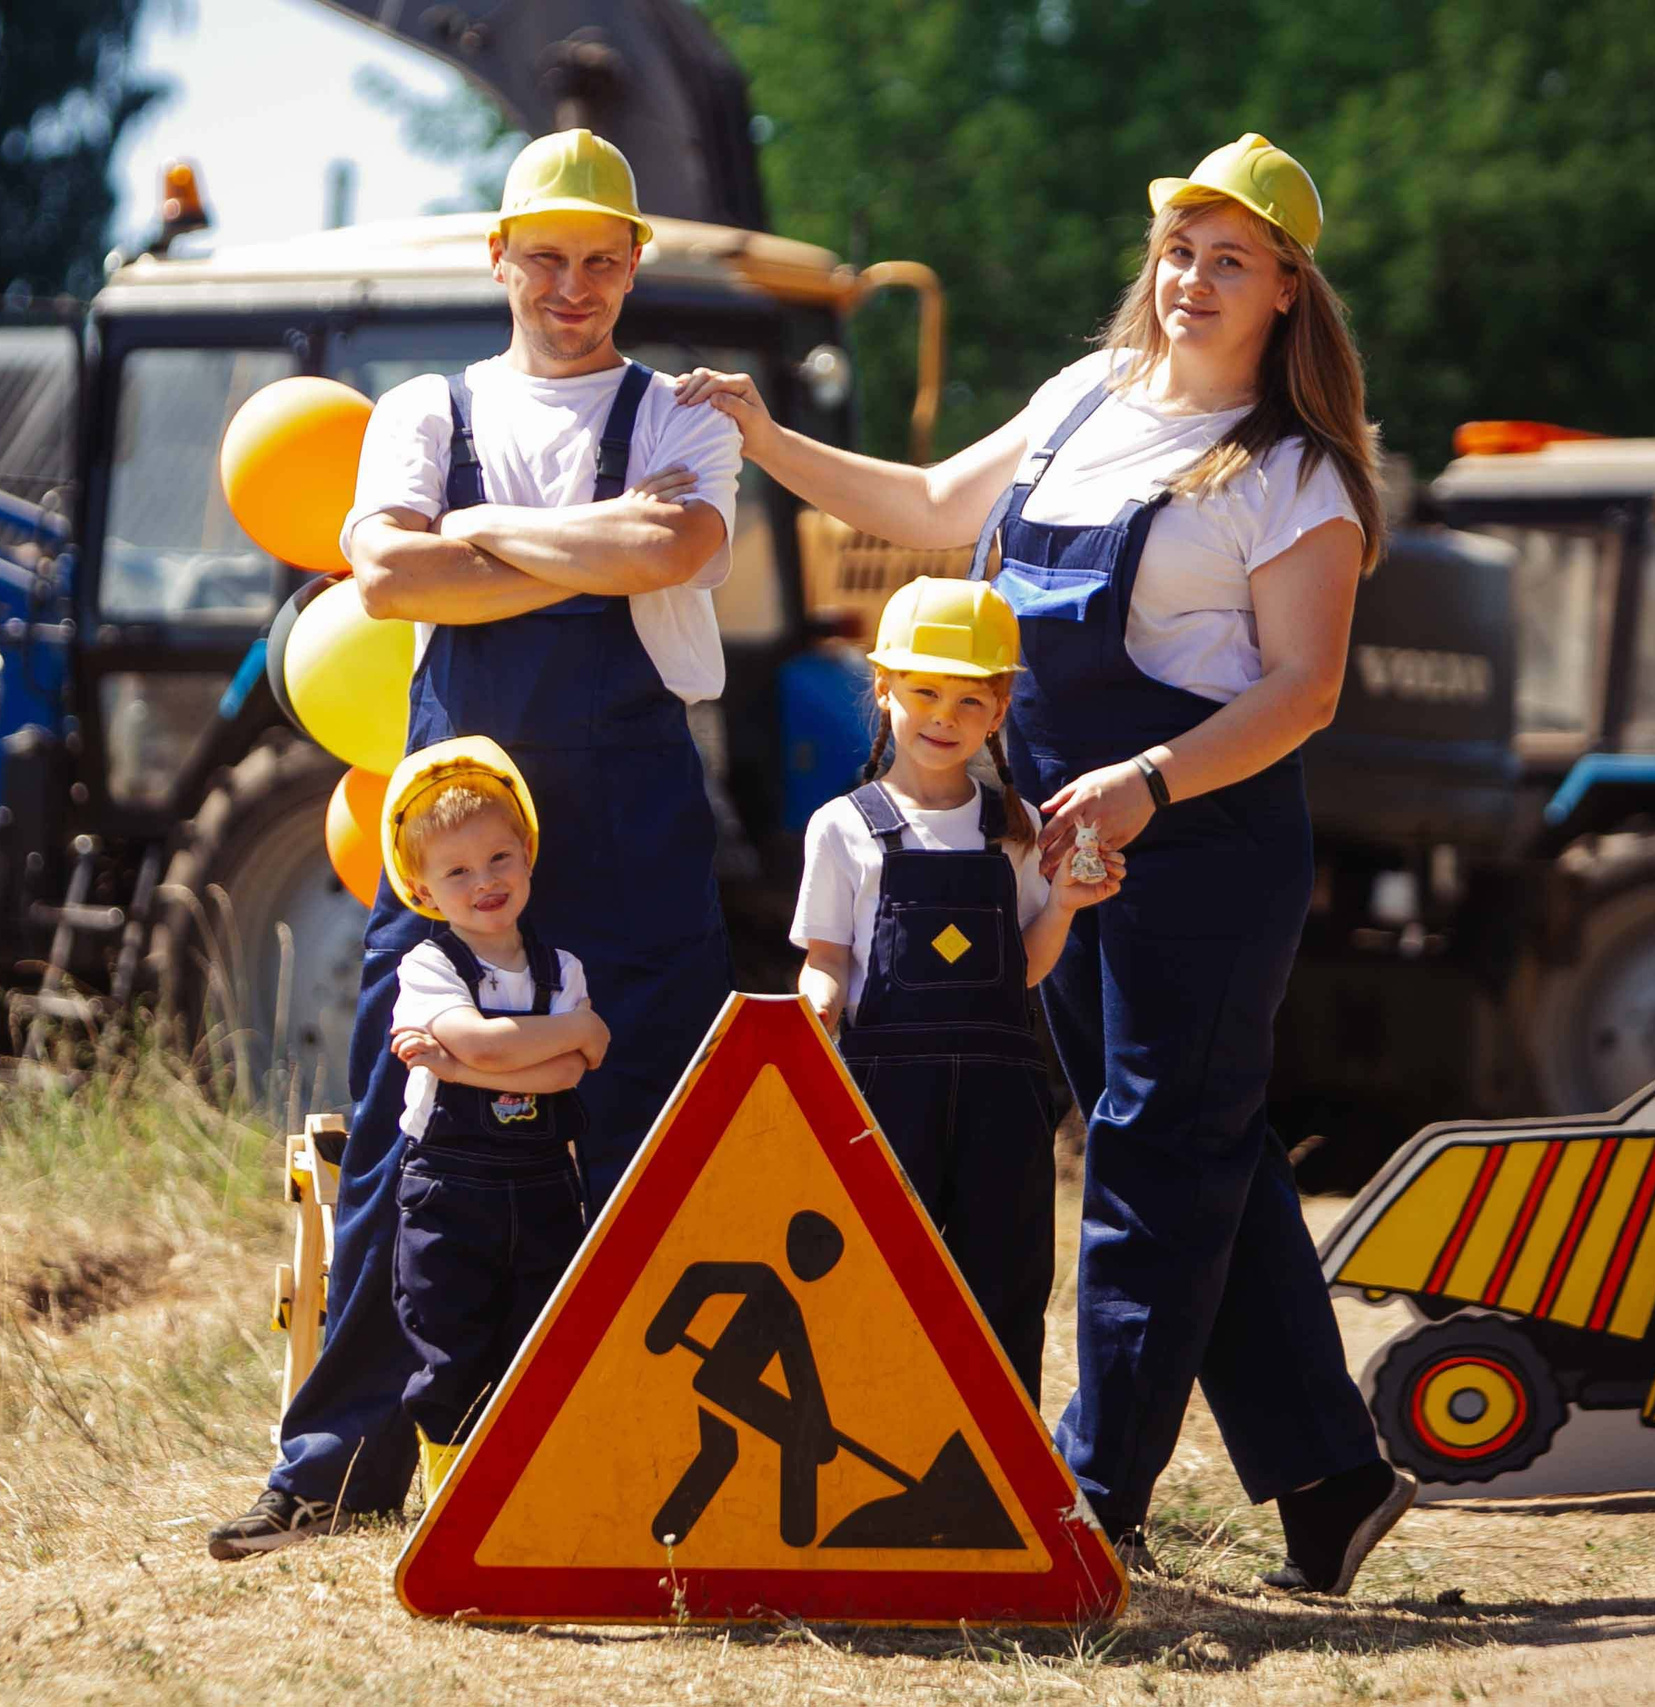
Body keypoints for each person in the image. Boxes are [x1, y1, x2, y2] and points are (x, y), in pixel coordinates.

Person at [677, 134, 1413, 1594]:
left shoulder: (1296, 472)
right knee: (1201, 1149)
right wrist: (764, 437)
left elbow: (1306, 690)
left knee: (1152, 1153)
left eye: (1230, 259)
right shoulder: (1086, 397)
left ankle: (1087, 1498)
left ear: (1285, 289)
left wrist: (1151, 781)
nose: (1193, 278)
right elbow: (931, 507)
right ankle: (1332, 1479)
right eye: (1179, 250)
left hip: (1202, 844)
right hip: (1054, 838)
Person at [210, 129, 742, 1558]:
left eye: (600, 260)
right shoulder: (422, 407)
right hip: (451, 828)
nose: (573, 286)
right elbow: (388, 573)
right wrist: (586, 540)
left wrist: (485, 534)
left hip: (633, 825)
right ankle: (337, 1467)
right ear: (498, 256)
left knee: (646, 1125)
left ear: (634, 263)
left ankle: (645, 1456)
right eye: (545, 256)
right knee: (410, 1122)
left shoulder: (686, 415)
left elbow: (669, 555)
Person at [790, 576, 1120, 1401]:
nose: (944, 716)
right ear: (884, 688)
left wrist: (1066, 905)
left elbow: (1024, 971)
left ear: (999, 710)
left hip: (1000, 1104)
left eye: (970, 699)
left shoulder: (1018, 827)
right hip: (883, 1098)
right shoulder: (842, 826)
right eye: (924, 692)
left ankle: (997, 1457)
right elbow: (827, 956)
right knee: (873, 1276)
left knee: (1004, 1287)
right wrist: (817, 1003)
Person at [375, 737, 606, 1504]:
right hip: (450, 1192)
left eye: (499, 858)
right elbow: (495, 1042)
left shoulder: (561, 967)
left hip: (543, 1187)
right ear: (423, 889)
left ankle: (530, 1499)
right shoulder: (428, 967)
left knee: (537, 1343)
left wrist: (455, 1065)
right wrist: (565, 1032)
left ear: (528, 855)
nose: (485, 881)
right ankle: (451, 1502)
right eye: (458, 871)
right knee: (450, 1347)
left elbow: (568, 1072)